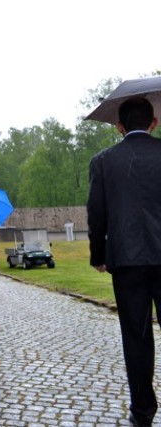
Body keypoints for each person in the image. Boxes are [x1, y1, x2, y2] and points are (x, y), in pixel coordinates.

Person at [87, 97, 161, 427]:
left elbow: (96, 214)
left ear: (119, 127)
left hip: (128, 259)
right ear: (154, 122)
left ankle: (142, 412)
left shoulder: (103, 161)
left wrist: (98, 256)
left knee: (136, 336)